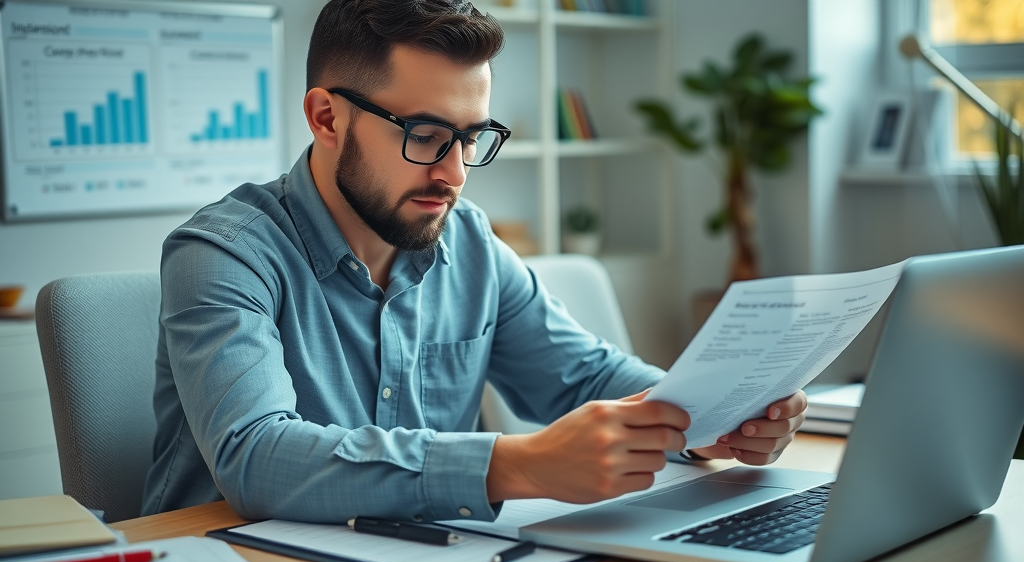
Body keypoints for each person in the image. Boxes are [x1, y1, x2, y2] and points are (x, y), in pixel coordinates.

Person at [142, 0, 807, 523]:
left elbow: (582, 378)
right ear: (326, 118)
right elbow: (255, 457)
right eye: (426, 136)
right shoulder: (223, 254)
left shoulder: (468, 242)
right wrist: (514, 466)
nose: (455, 173)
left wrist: (717, 418)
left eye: (471, 138)